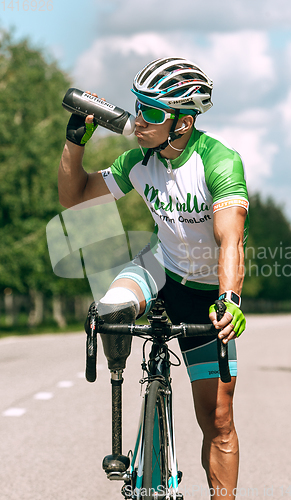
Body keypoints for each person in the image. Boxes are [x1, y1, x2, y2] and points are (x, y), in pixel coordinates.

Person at [58, 57, 249, 499]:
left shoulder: (219, 162)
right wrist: (74, 144)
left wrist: (230, 300)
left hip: (206, 291)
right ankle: (121, 413)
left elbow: (230, 241)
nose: (140, 120)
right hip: (159, 269)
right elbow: (75, 199)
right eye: (138, 107)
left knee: (218, 422)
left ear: (184, 121)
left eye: (153, 112)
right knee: (109, 309)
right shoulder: (138, 161)